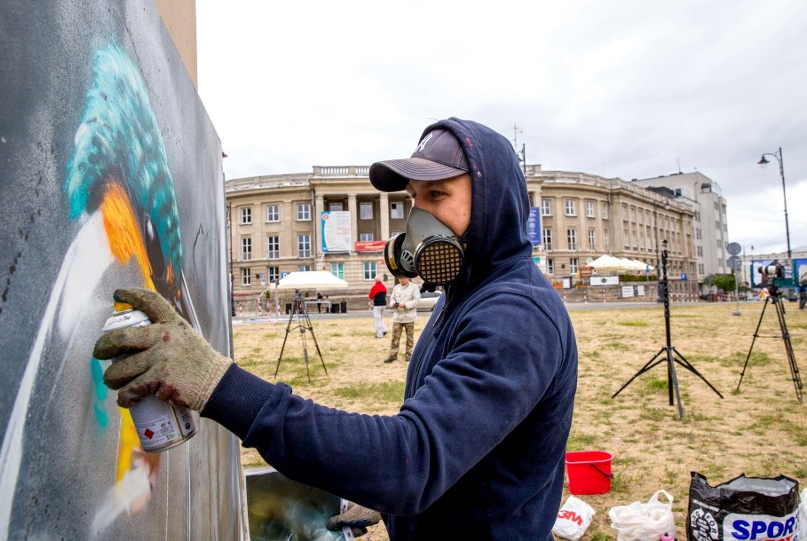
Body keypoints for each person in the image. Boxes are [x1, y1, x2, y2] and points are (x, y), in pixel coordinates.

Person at [93, 118, 578, 540]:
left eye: (437, 194)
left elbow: (414, 459)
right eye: (413, 199)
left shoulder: (516, 315)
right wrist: (393, 506)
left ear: (494, 202)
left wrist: (219, 385)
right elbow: (453, 445)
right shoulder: (469, 294)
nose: (418, 217)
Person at [385, 276, 421, 363]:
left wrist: (405, 305)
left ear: (408, 278)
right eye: (399, 279)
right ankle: (393, 355)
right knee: (395, 337)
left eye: (402, 279)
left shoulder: (414, 287)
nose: (401, 280)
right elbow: (392, 298)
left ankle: (409, 354)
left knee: (409, 338)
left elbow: (416, 301)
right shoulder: (396, 288)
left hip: (409, 317)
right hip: (397, 317)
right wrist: (392, 303)